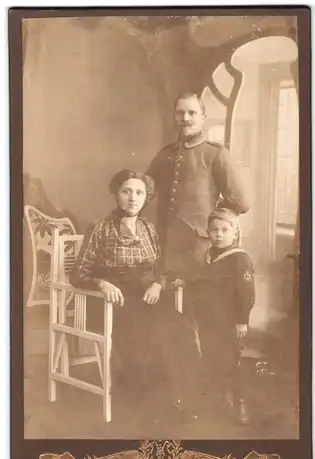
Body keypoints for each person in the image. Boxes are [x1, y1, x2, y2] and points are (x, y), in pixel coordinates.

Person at [70, 169, 201, 425]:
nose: (133, 198)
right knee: (145, 335)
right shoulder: (100, 229)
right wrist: (101, 283)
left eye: (139, 192)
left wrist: (158, 284)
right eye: (126, 191)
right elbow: (78, 275)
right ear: (115, 194)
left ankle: (183, 401)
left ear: (146, 197)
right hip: (115, 302)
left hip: (146, 296)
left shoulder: (148, 228)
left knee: (180, 329)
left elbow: (160, 268)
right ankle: (150, 408)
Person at [147, 91, 250, 284]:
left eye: (192, 113)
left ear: (203, 118)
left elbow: (241, 202)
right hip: (163, 245)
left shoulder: (216, 154)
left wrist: (211, 218)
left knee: (195, 304)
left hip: (198, 248)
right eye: (180, 113)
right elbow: (144, 191)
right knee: (164, 304)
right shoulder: (164, 155)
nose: (185, 118)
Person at [188, 208, 255, 425]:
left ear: (235, 233)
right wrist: (186, 282)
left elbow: (246, 294)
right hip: (209, 320)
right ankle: (220, 399)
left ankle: (240, 403)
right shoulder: (209, 255)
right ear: (208, 231)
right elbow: (204, 280)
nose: (219, 234)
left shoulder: (240, 259)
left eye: (225, 230)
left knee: (232, 362)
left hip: (230, 322)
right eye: (214, 229)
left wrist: (241, 321)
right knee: (212, 358)